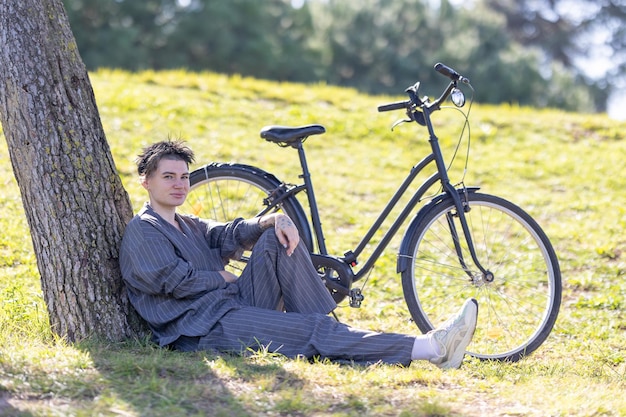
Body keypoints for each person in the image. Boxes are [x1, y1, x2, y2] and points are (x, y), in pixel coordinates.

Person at [119, 140, 479, 369]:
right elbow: (172, 282)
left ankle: (339, 337)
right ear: (146, 182)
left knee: (274, 239)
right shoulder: (143, 230)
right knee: (313, 329)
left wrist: (272, 219)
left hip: (230, 304)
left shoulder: (187, 222)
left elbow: (227, 233)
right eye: (169, 177)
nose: (180, 184)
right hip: (202, 329)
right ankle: (432, 348)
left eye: (183, 176)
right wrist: (222, 277)